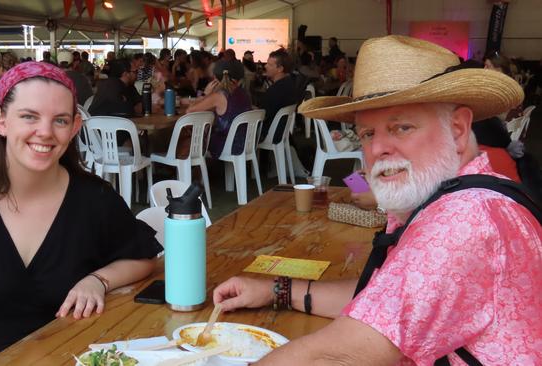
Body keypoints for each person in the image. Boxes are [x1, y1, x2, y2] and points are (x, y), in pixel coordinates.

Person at [213, 35, 541, 365]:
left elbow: (338, 353)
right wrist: (276, 290)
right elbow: (385, 296)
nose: (377, 148)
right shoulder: (448, 190)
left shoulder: (463, 218)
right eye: (367, 133)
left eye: (401, 127)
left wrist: (369, 190)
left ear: (457, 129)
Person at [0, 61, 162, 365]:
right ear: (0, 119)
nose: (45, 132)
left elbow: (142, 257)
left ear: (74, 127)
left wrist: (98, 280)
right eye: (29, 116)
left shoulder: (94, 197)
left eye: (60, 121)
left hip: (68, 355)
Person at [186, 59, 251, 158]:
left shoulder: (219, 96)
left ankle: (177, 169)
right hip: (246, 143)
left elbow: (189, 112)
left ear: (215, 78)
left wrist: (205, 94)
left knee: (187, 141)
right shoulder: (244, 93)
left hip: (228, 146)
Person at [259, 48, 296, 143]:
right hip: (282, 131)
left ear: (280, 69)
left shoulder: (275, 90)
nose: (266, 66)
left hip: (271, 133)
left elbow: (262, 115)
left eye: (270, 65)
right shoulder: (290, 84)